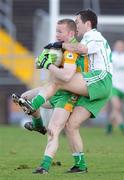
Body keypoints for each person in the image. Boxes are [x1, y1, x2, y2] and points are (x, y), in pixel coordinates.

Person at [14, 9, 112, 174]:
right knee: (71, 125)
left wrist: (57, 48)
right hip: (93, 87)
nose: (77, 26)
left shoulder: (93, 36)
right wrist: (47, 56)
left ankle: (34, 107)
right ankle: (80, 165)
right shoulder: (75, 44)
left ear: (88, 23)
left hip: (99, 80)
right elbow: (45, 61)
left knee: (58, 82)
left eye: (78, 22)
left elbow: (80, 51)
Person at [106, 40, 124, 134]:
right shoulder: (112, 56)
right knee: (117, 107)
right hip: (114, 86)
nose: (120, 47)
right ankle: (122, 127)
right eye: (118, 46)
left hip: (122, 87)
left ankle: (109, 126)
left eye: (121, 46)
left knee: (116, 110)